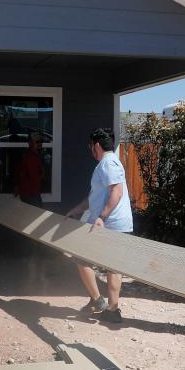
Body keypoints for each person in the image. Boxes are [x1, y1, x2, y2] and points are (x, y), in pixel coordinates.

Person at [65, 128, 133, 323]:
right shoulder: (111, 162)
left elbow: (116, 192)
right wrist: (78, 209)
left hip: (109, 223)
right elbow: (96, 195)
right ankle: (111, 310)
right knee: (113, 266)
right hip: (116, 223)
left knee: (80, 256)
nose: (90, 151)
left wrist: (102, 217)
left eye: (90, 147)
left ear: (96, 145)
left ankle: (98, 300)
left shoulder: (108, 163)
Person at [14, 132, 44, 206]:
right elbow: (34, 179)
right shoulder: (31, 157)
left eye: (41, 141)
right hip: (31, 195)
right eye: (37, 141)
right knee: (36, 216)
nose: (39, 143)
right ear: (30, 143)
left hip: (29, 194)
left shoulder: (31, 155)